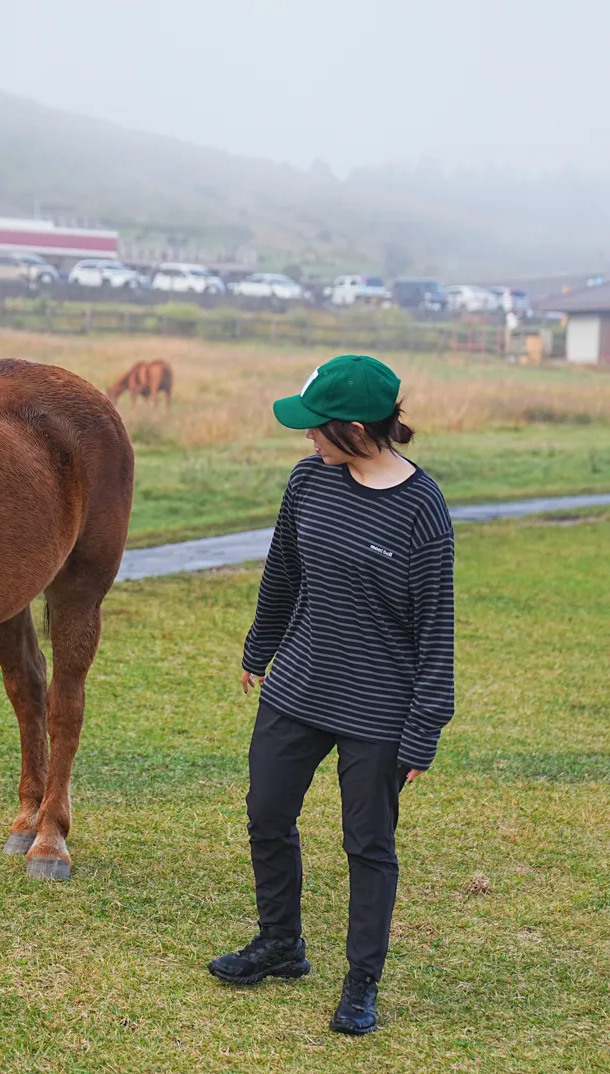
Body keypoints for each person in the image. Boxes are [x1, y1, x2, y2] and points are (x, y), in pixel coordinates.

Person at [207, 355, 455, 1036]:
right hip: (299, 685)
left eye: (316, 427)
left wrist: (424, 727)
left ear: (354, 428)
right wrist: (260, 649)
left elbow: (437, 629)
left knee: (367, 843)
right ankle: (281, 942)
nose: (306, 439)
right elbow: (283, 570)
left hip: (379, 705)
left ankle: (361, 983)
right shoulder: (310, 481)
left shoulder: (421, 510)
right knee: (266, 813)